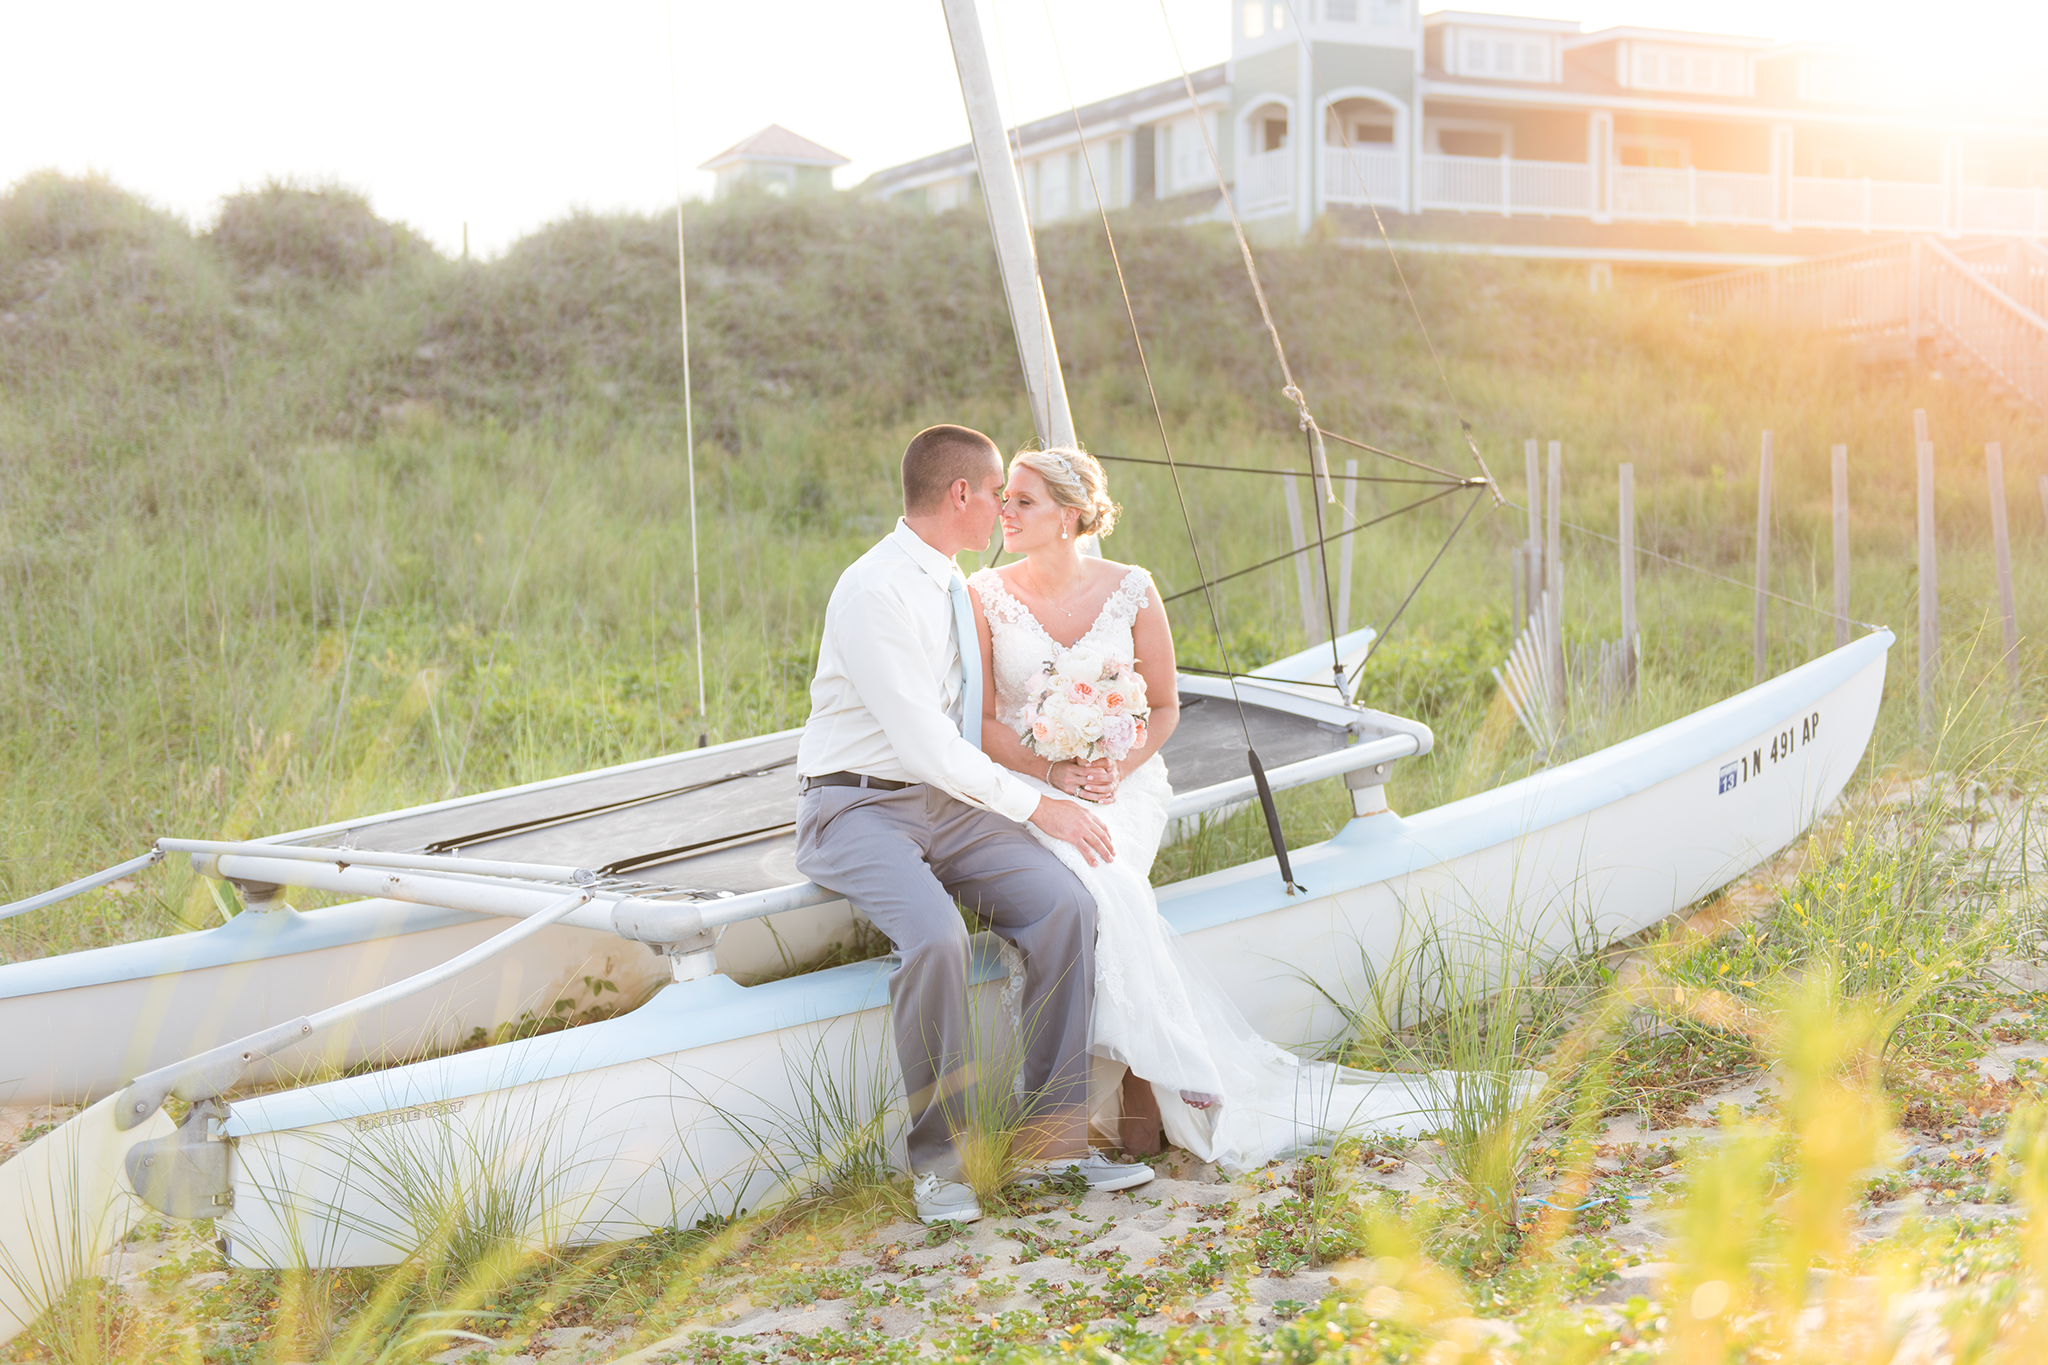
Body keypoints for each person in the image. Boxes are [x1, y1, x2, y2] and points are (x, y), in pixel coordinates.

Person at [969, 446, 1484, 1172]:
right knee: (1106, 886)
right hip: (1034, 780)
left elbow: (1167, 707)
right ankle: (1162, 1075)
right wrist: (1053, 768)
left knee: (1101, 871)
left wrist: (1116, 764)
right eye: (1006, 498)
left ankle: (1101, 1103)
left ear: (1071, 515)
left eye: (1023, 500)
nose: (1005, 511)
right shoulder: (983, 592)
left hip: (1126, 782)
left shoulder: (1132, 588)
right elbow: (986, 722)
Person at [794, 425, 1156, 1227]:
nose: (1003, 506)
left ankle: (1050, 1144)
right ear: (962, 495)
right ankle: (940, 1163)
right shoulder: (874, 591)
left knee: (1068, 906)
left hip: (947, 804)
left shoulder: (961, 585)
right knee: (937, 937)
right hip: (855, 804)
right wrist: (1043, 803)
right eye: (997, 491)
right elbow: (927, 743)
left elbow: (977, 722)